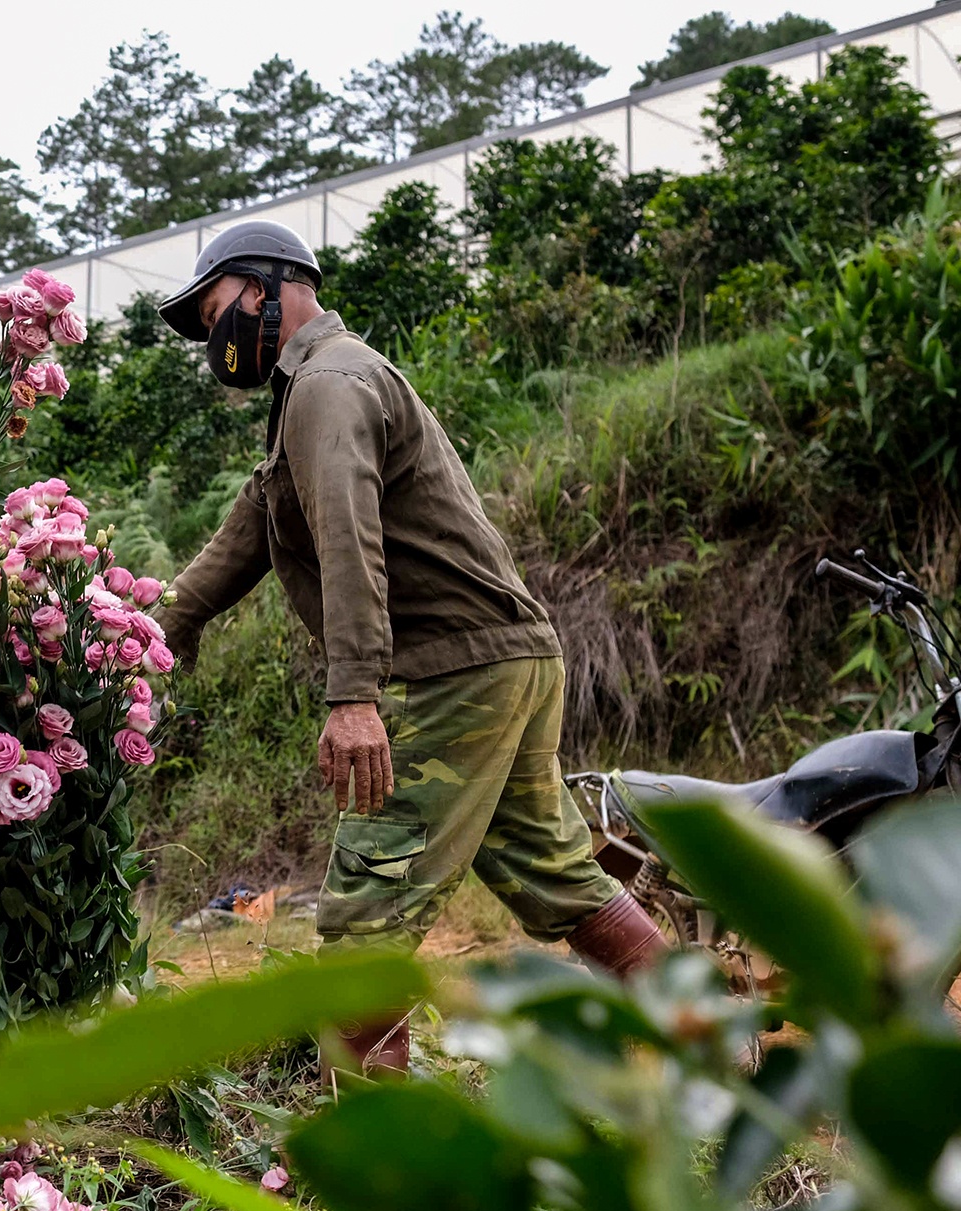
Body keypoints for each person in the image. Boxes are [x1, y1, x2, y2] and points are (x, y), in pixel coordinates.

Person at [152, 220, 666, 1075]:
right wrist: (155, 632)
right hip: (508, 659)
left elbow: (350, 539)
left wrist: (352, 696)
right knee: (557, 875)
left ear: (266, 287)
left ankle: (379, 1160)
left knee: (364, 917)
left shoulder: (330, 385)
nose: (216, 339)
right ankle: (732, 1057)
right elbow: (248, 528)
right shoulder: (311, 393)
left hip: (461, 670)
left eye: (216, 314)